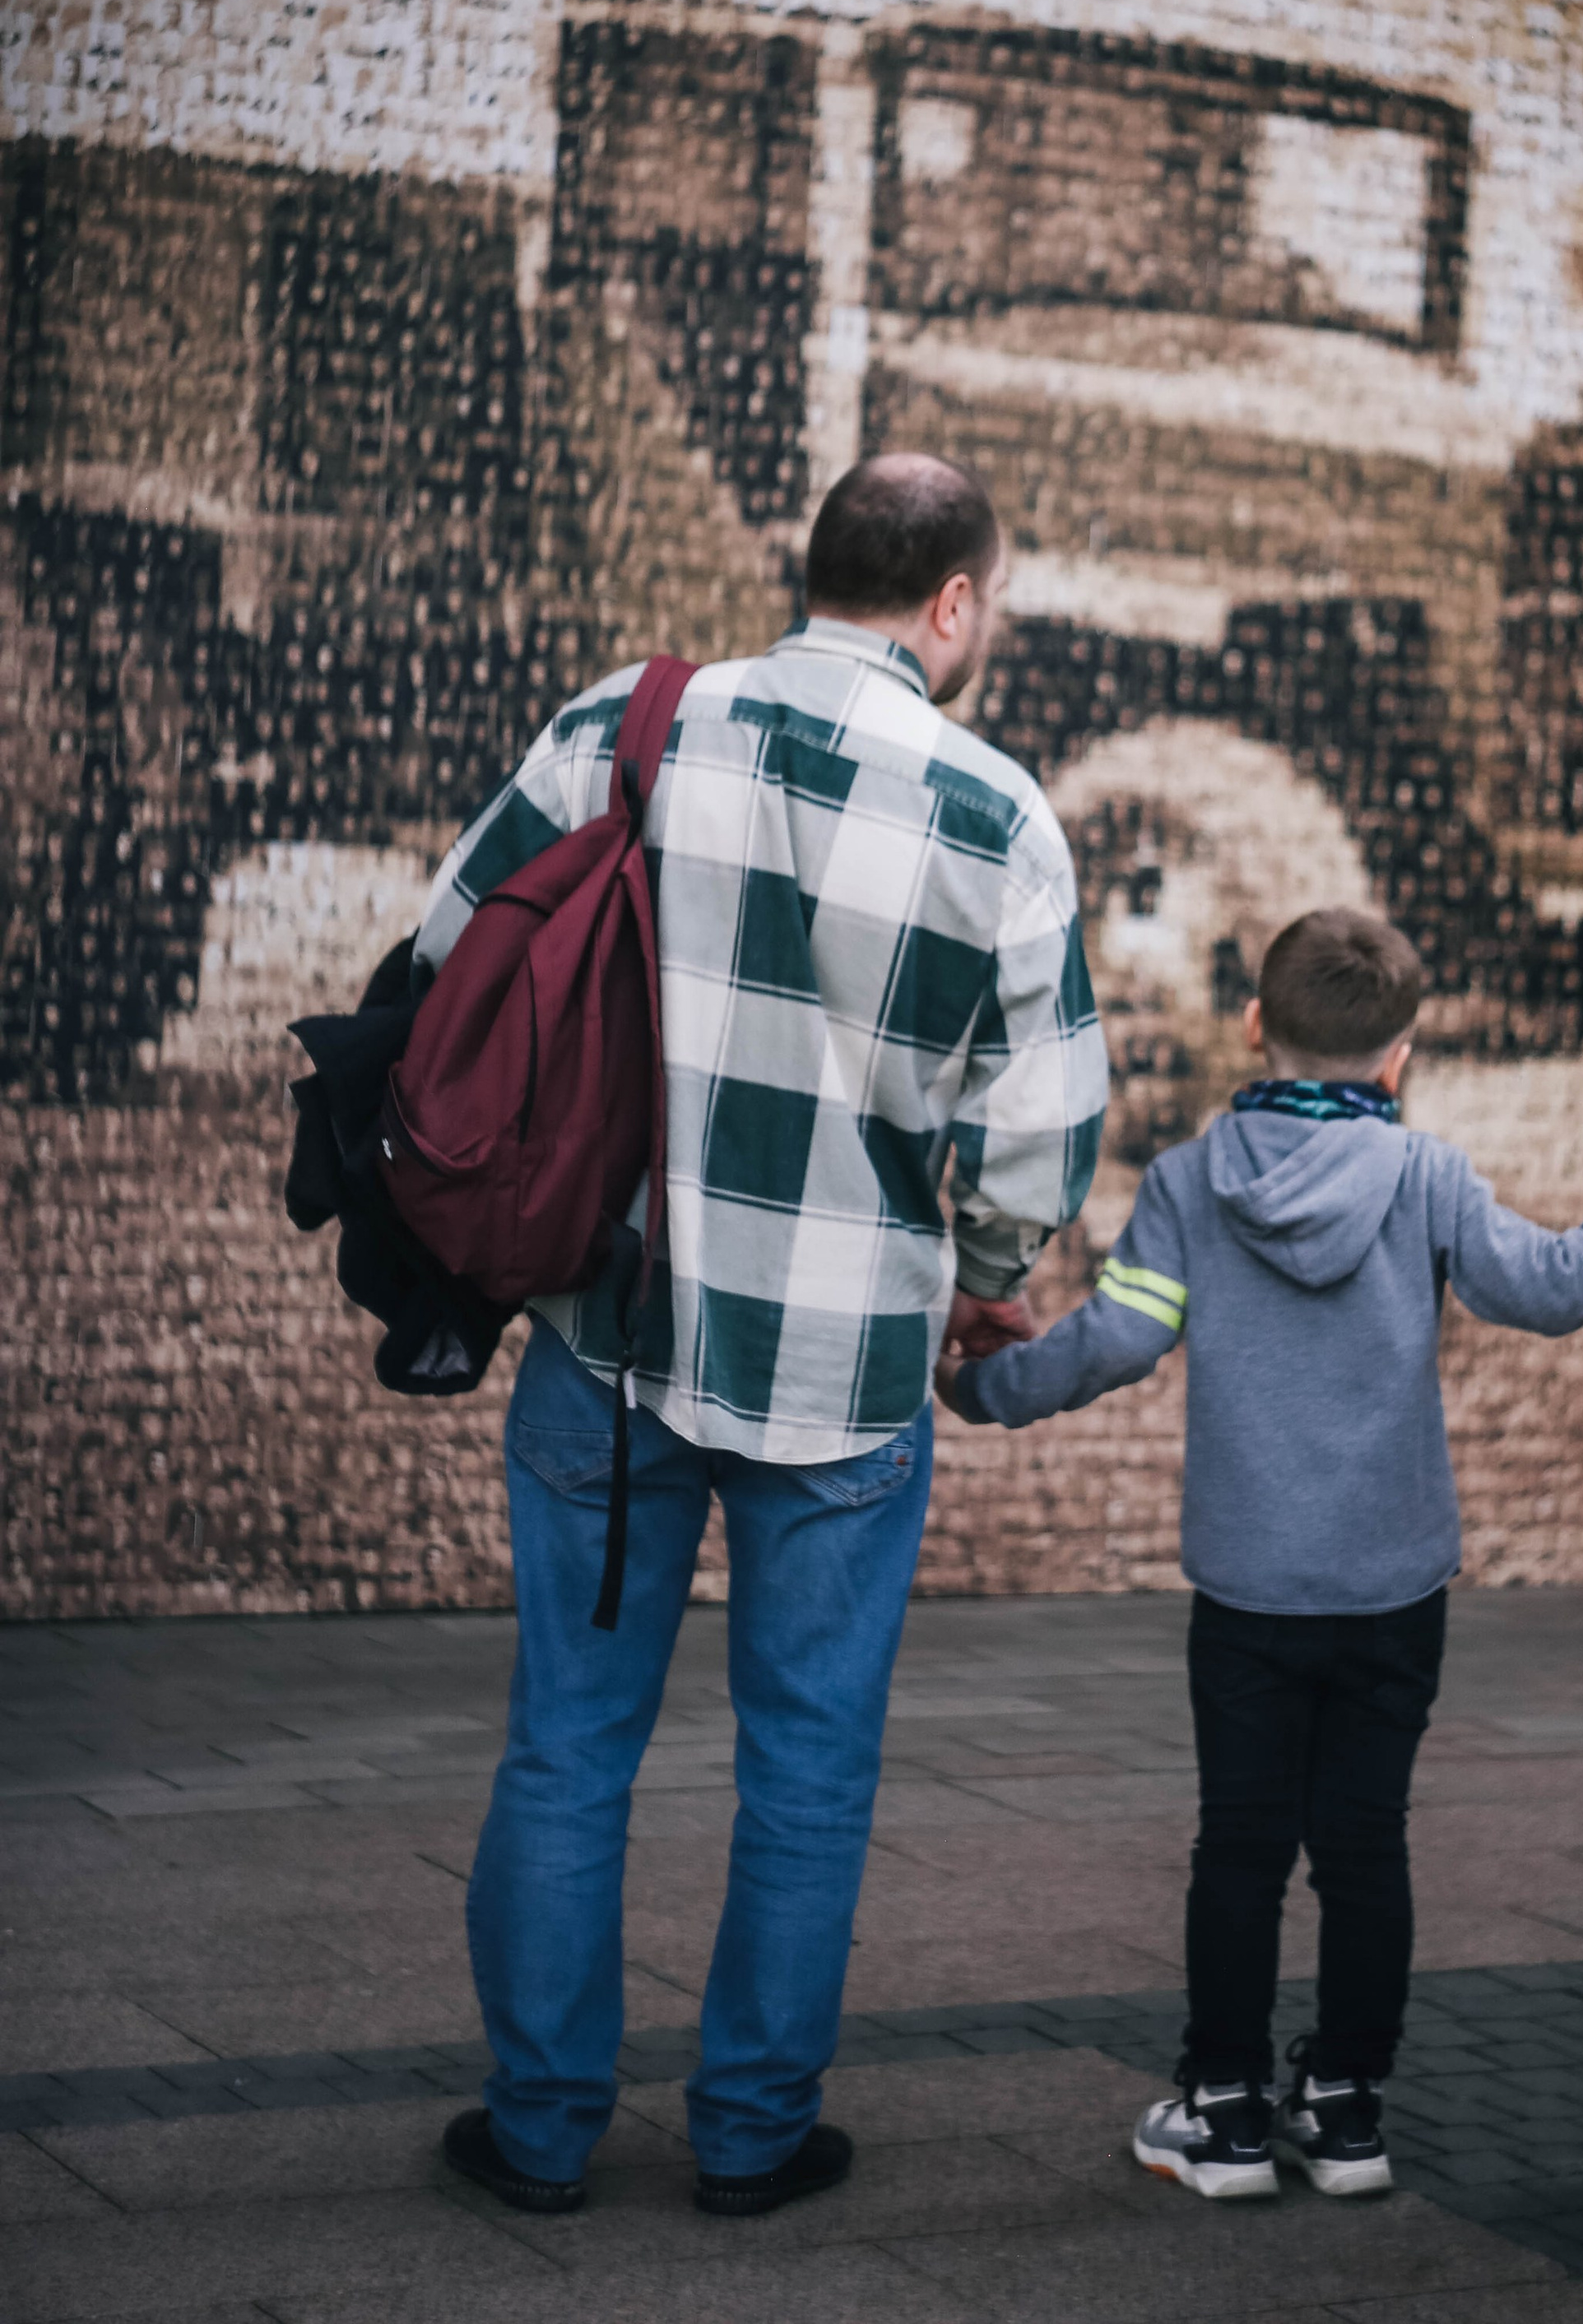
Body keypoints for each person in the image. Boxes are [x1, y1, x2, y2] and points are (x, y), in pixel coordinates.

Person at [425, 452, 1106, 2220]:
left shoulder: (621, 727)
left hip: (610, 1339)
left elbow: (448, 961)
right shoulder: (996, 816)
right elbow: (1038, 1134)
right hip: (848, 1373)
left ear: (816, 569)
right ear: (950, 602)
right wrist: (987, 1267)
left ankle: (538, 2132)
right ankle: (748, 2137)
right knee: (807, 1767)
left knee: (567, 1747)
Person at [940, 904, 1583, 2203]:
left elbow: (1114, 1344)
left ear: (1256, 1023)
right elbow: (1553, 1287)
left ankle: (1226, 2112)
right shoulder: (1426, 1180)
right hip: (1392, 1591)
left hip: (1250, 1593)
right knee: (1367, 1847)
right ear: (1400, 1055)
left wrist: (977, 1389)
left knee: (1240, 1850)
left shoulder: (1193, 1185)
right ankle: (1350, 2112)